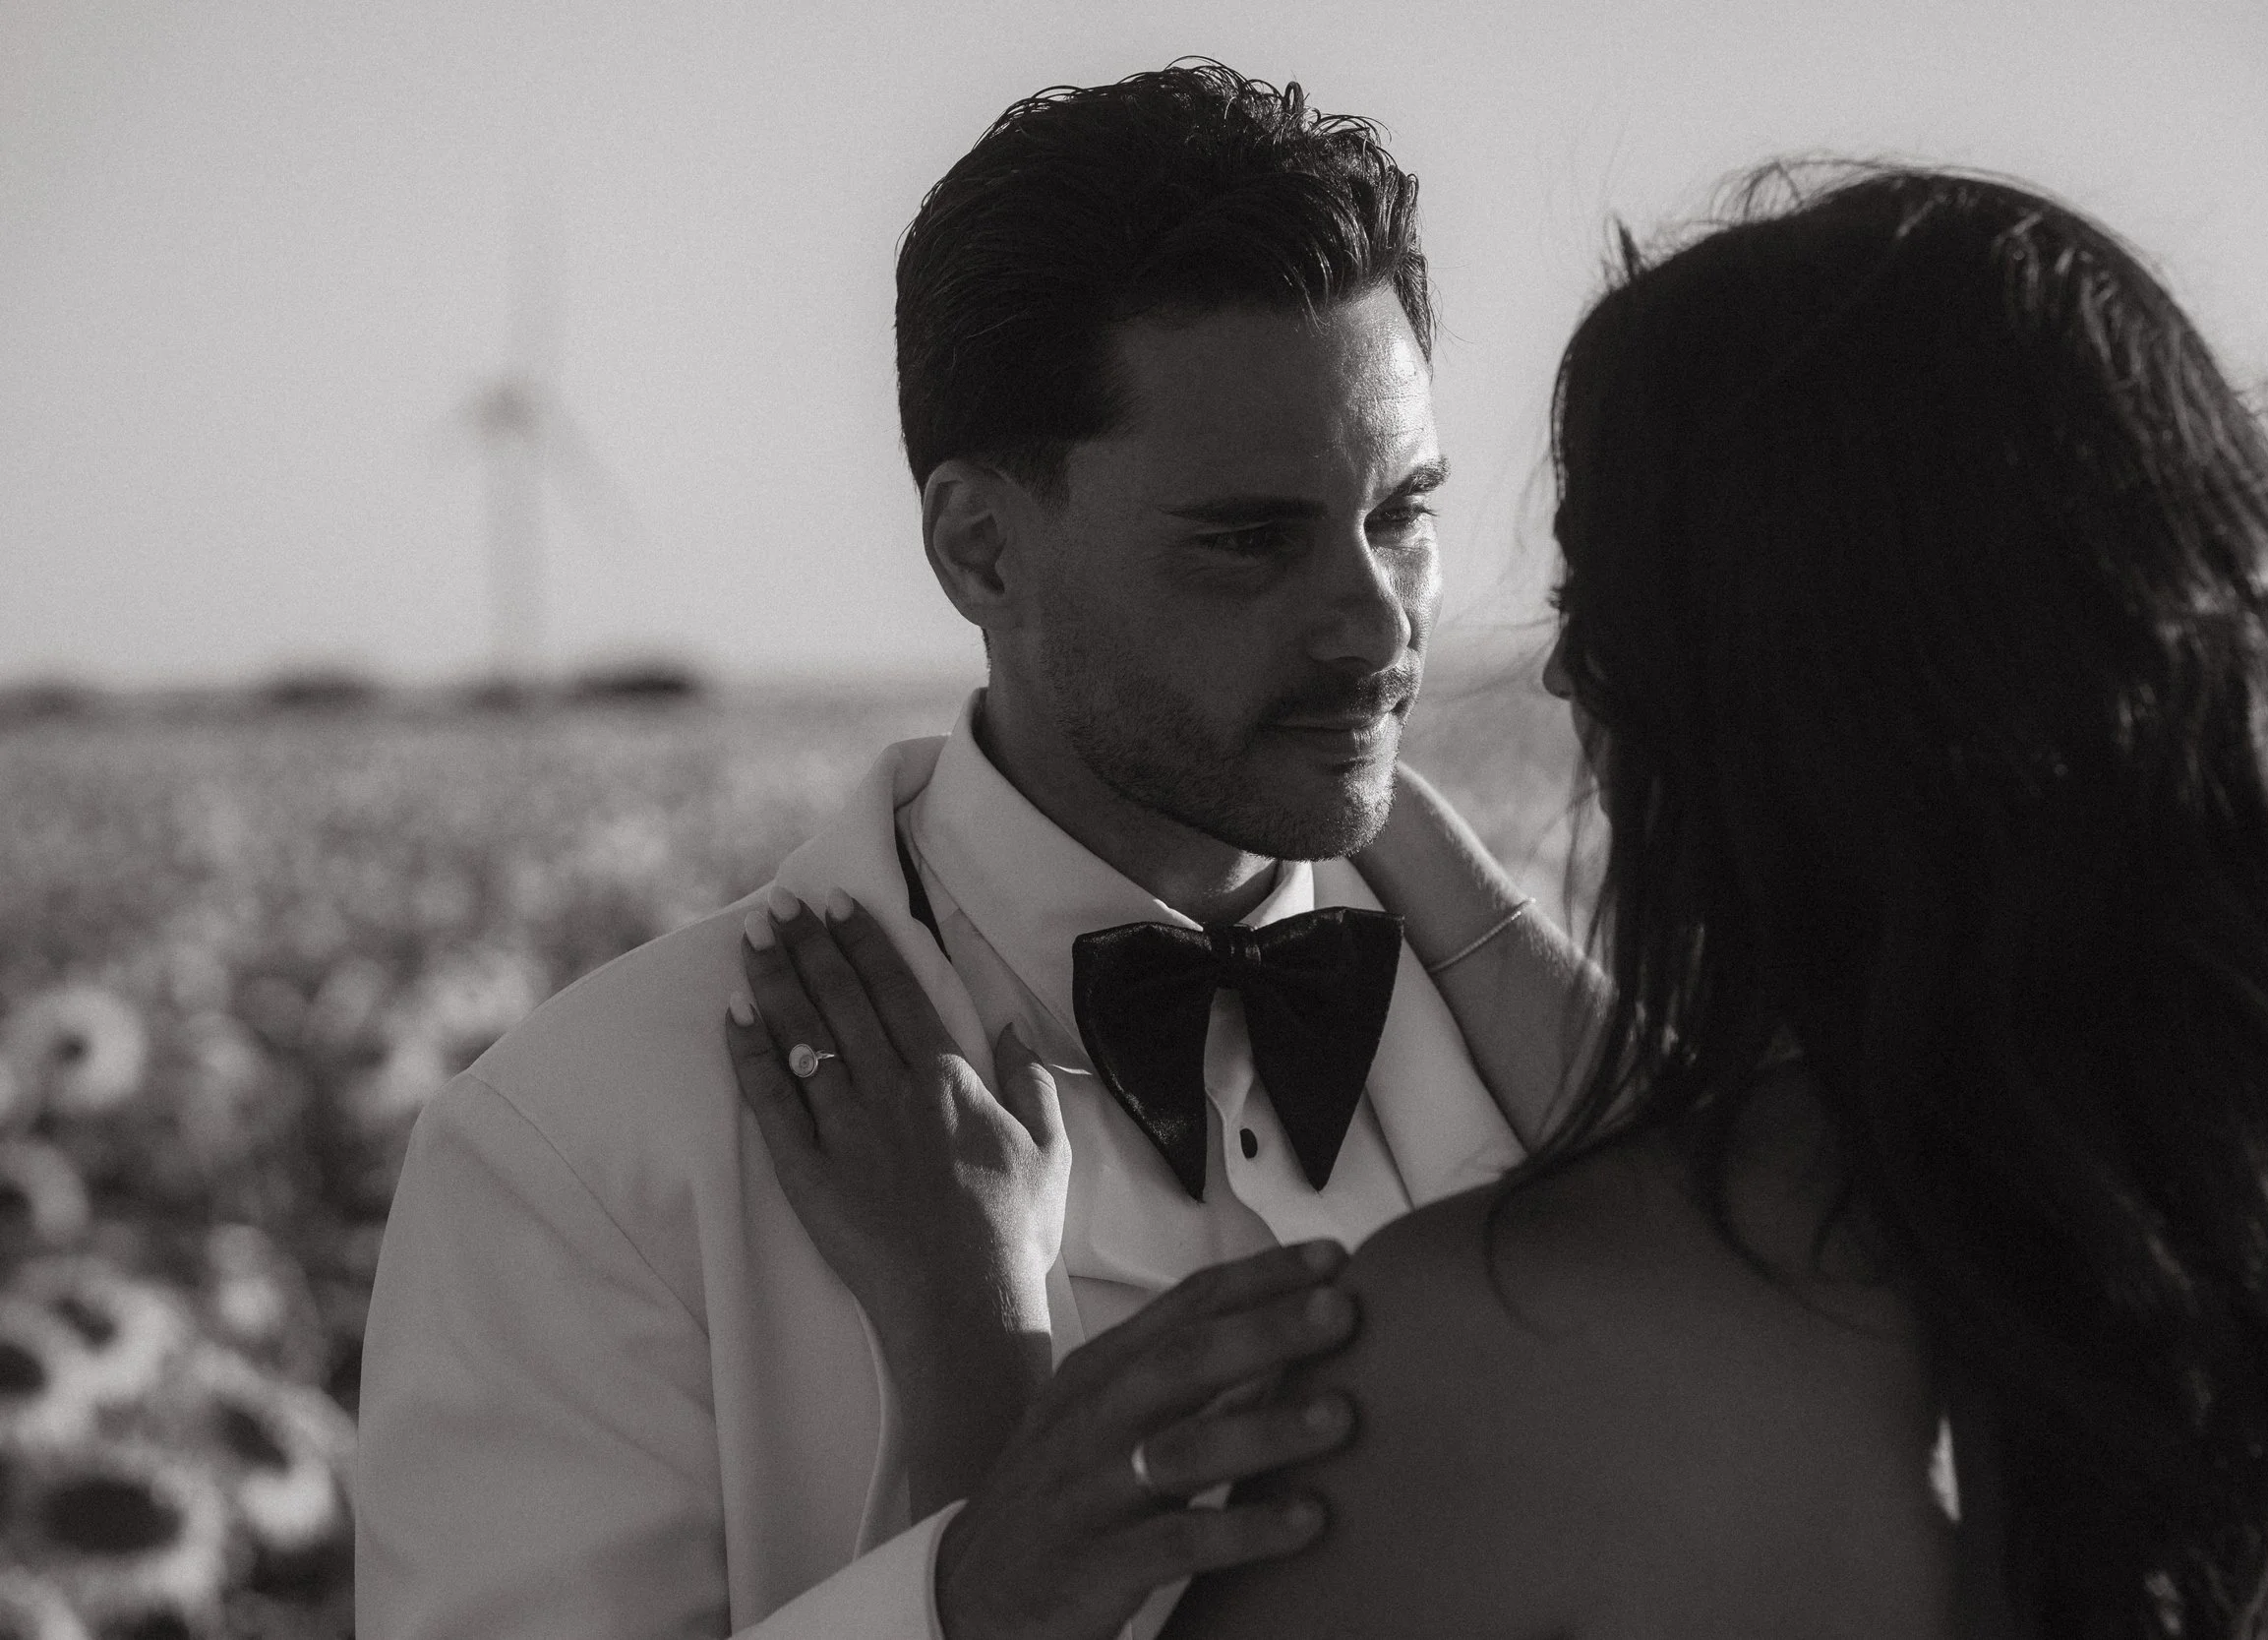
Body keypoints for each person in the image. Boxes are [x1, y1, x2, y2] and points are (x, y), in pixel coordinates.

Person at [734, 164, 2268, 1637]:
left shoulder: (1491, 1350)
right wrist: (1380, 819)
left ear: (1760, 705)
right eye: (1255, 537)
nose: (1553, 673)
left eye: (1599, 608)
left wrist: (976, 1374)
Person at [354, 63, 1548, 1640]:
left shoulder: (1561, 1052)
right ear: (980, 547)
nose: (1378, 625)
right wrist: (958, 1602)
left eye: (1402, 514)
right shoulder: (584, 1149)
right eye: (1250, 538)